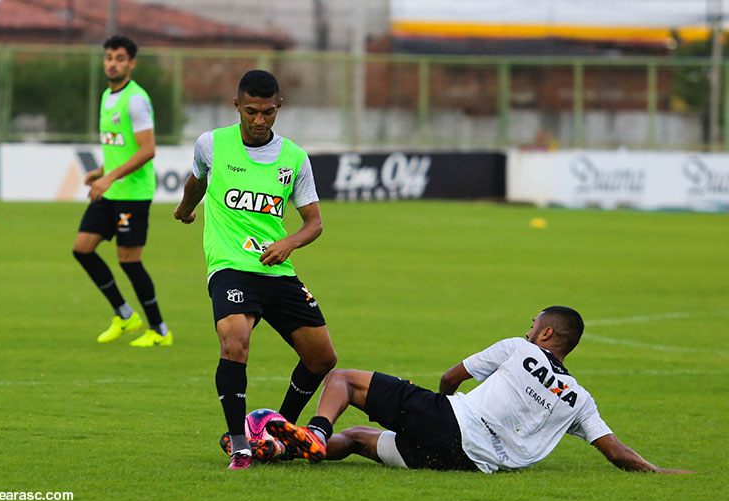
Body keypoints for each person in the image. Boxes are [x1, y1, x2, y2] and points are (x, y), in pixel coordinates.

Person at [267, 306, 692, 474]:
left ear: (545, 333)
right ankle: (283, 451)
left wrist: (434, 410)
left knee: (342, 379)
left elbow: (452, 379)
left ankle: (316, 433)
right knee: (359, 439)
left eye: (533, 324)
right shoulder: (580, 399)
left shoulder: (518, 349)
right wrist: (662, 473)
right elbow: (616, 453)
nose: (528, 330)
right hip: (469, 463)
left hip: (449, 424)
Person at [174, 70, 338, 469]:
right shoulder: (212, 144)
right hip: (230, 266)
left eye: (267, 112)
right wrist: (184, 209)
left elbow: (314, 223)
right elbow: (197, 180)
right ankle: (240, 443)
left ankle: (275, 429)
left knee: (322, 358)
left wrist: (288, 243)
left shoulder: (294, 158)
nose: (260, 120)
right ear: (237, 107)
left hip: (276, 269)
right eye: (251, 111)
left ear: (278, 107)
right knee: (235, 342)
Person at [72, 35, 172, 347]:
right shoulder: (107, 96)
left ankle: (159, 330)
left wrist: (110, 177)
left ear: (131, 63)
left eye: (119, 58)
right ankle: (125, 314)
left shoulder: (136, 99)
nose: (112, 63)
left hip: (132, 193)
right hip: (112, 189)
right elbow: (121, 145)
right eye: (108, 58)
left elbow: (147, 150)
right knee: (82, 249)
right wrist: (102, 171)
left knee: (129, 260)